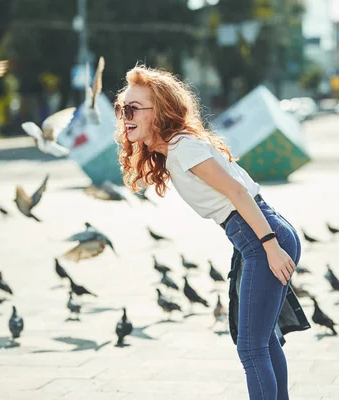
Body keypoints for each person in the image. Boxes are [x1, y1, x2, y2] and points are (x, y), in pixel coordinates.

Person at [114, 65, 309, 400]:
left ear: (158, 112)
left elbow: (237, 193)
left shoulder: (182, 149)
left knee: (251, 347)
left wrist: (270, 246)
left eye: (133, 109)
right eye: (121, 109)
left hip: (261, 235)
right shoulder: (173, 149)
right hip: (256, 235)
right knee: (263, 340)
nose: (124, 116)